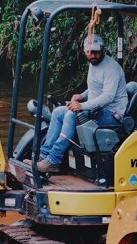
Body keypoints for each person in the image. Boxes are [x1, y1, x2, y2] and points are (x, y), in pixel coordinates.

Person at [33, 33, 128, 173]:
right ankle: (42, 156)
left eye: (96, 52)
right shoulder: (94, 64)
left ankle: (53, 160)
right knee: (59, 112)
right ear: (85, 52)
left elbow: (107, 96)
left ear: (102, 50)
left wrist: (82, 106)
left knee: (71, 115)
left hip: (111, 114)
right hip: (96, 108)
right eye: (90, 52)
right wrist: (82, 96)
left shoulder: (111, 68)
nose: (93, 55)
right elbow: (95, 88)